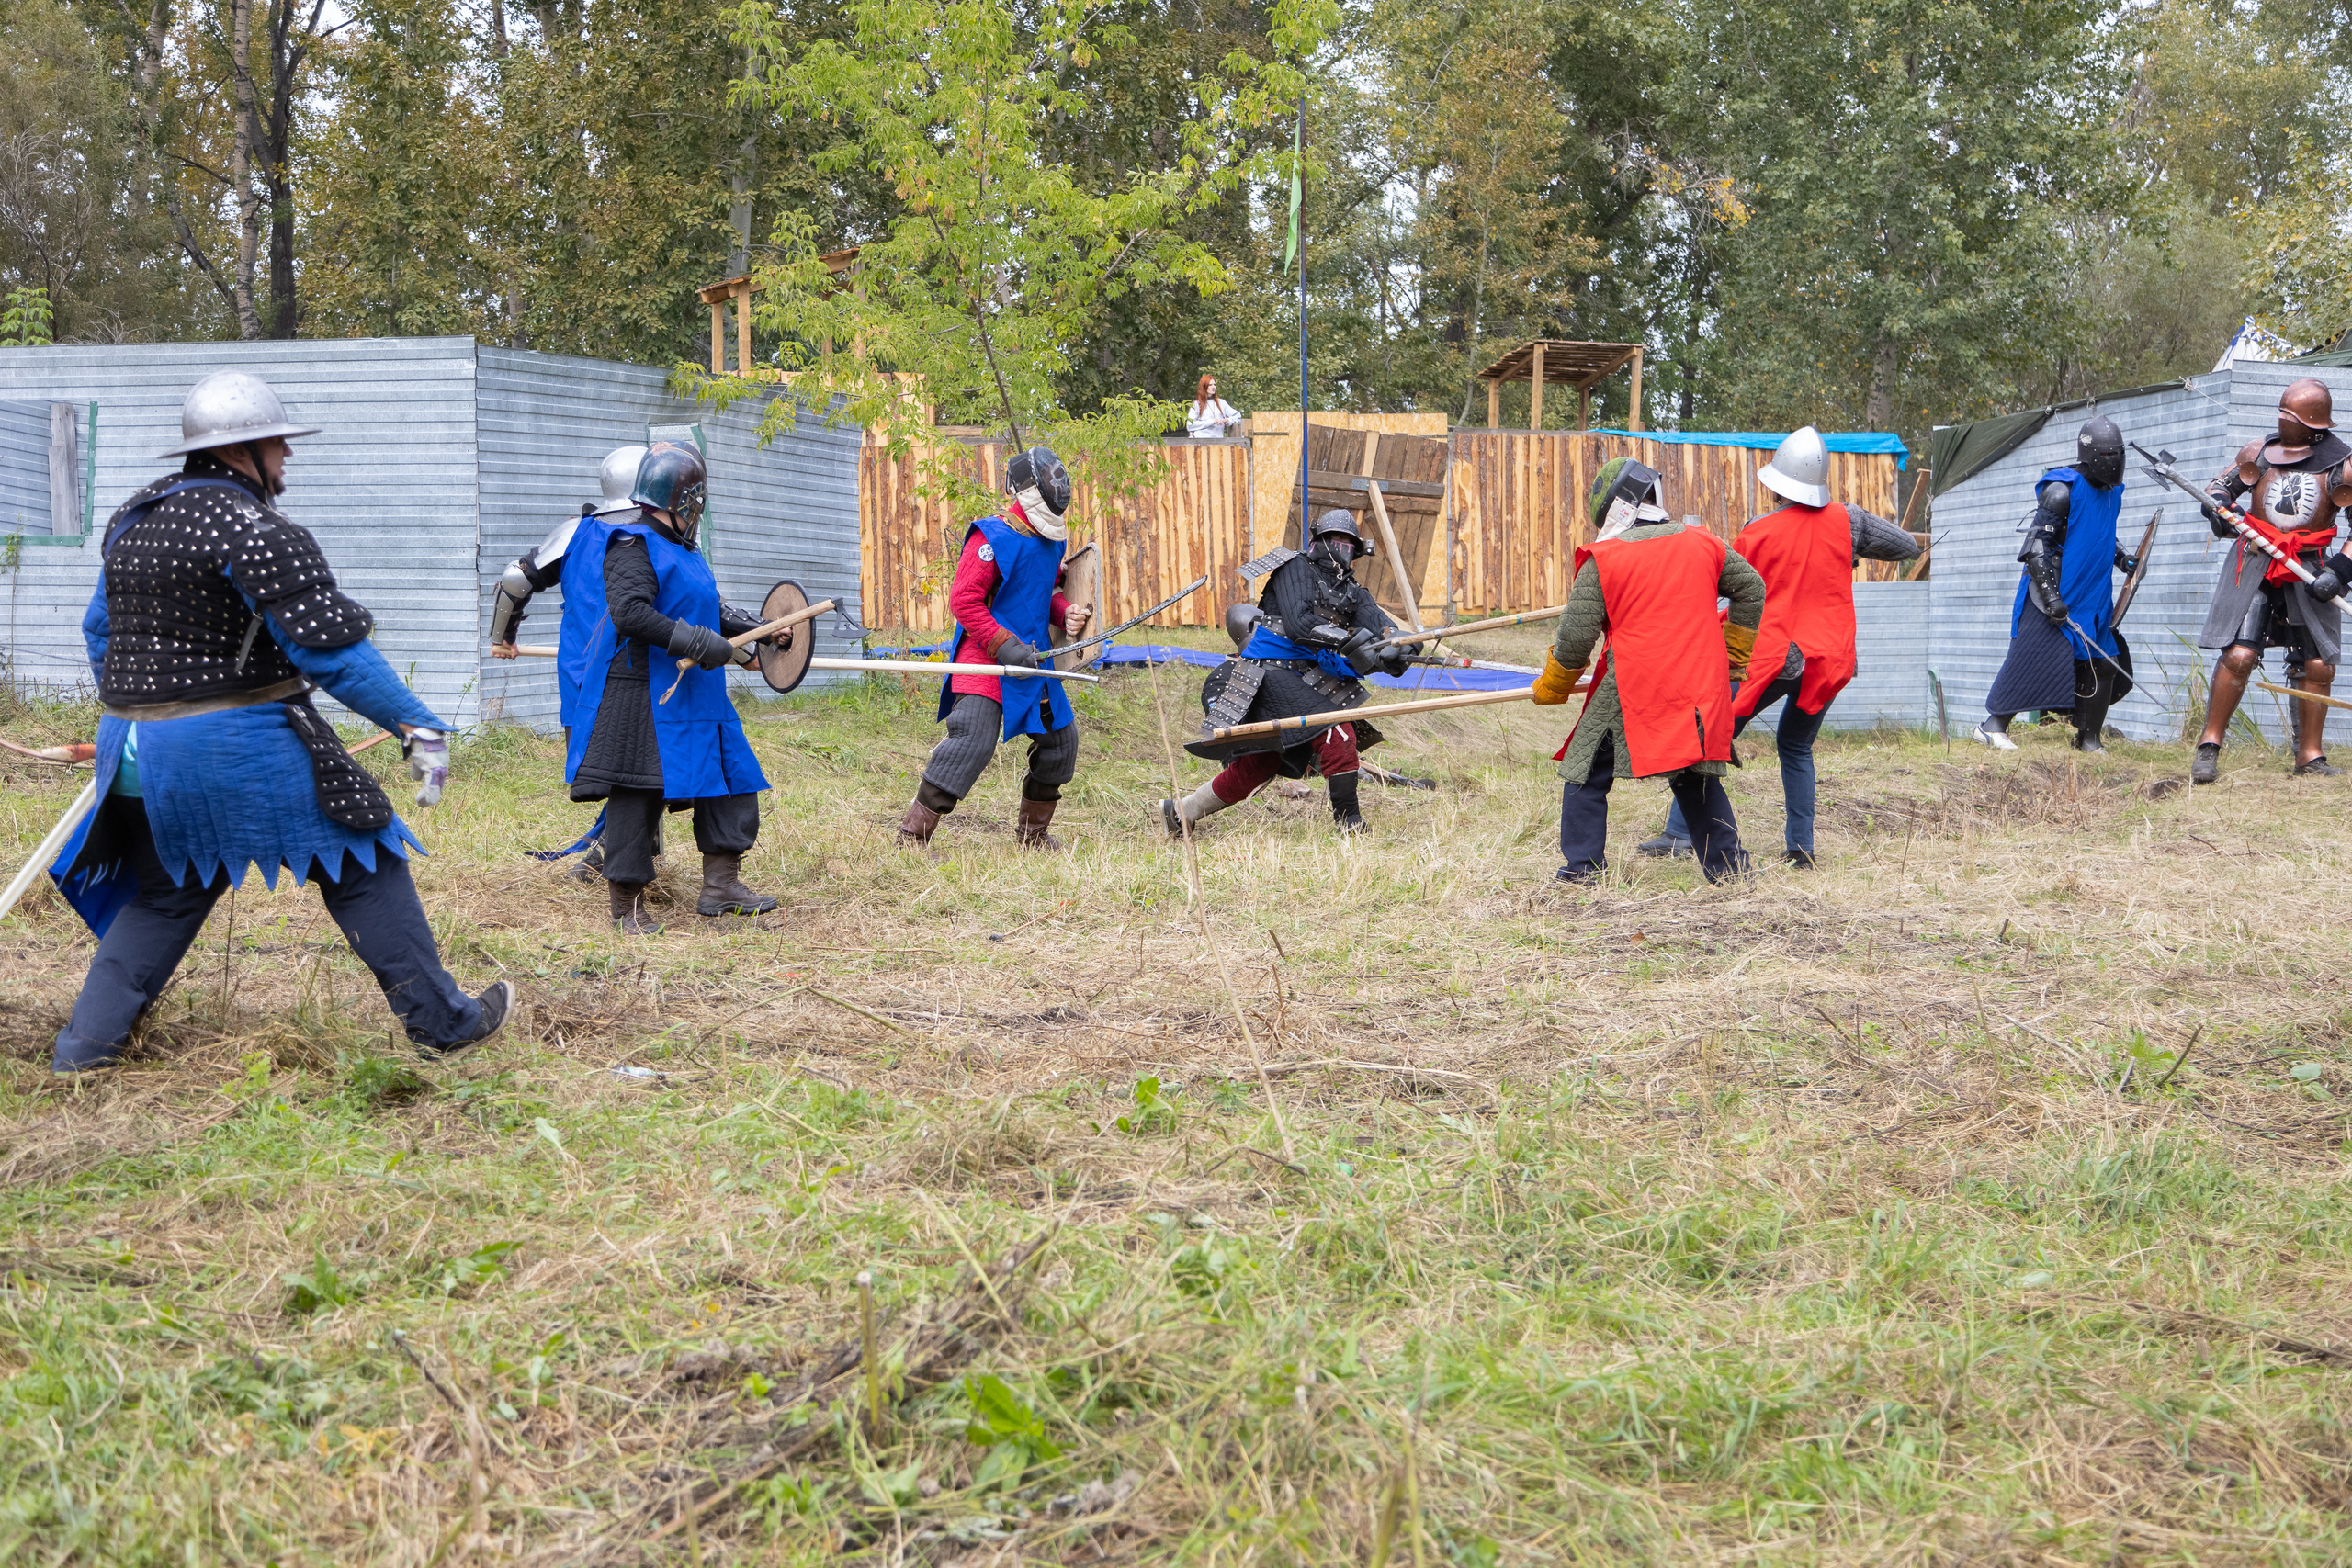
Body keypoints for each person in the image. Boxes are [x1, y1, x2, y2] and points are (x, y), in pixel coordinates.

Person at [47, 370, 513, 1074]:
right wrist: (420, 727)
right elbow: (333, 655)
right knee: (364, 856)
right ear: (241, 452)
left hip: (132, 743)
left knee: (165, 893)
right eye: (277, 444)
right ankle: (443, 1022)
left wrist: (144, 712)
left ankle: (83, 1053)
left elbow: (98, 632)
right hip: (226, 741)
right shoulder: (256, 526)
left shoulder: (134, 518)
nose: (286, 458)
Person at [1636, 427, 1921, 865]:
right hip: (1829, 658)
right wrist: (1850, 551)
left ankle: (1679, 833)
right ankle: (1801, 849)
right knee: (1795, 745)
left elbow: (1725, 588)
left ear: (1779, 482)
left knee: (1711, 734)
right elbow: (1904, 546)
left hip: (1772, 657)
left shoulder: (1757, 532)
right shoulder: (1850, 521)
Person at [565, 442, 779, 932]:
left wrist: (763, 631)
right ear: (686, 500)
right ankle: (626, 905)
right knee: (638, 795)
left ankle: (721, 886)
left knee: (734, 781)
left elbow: (709, 608)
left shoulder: (686, 550)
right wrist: (703, 643)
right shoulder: (631, 543)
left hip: (699, 692)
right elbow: (631, 613)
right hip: (644, 690)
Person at [1533, 457, 1765, 886]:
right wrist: (1734, 656)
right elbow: (1752, 588)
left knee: (1584, 770)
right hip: (1695, 686)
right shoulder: (1704, 542)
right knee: (1694, 775)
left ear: (1615, 511)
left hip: (1633, 683)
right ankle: (1729, 871)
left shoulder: (1603, 559)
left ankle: (1583, 871)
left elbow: (1574, 639)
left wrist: (1556, 683)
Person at [1164, 509, 1407, 836]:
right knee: (1336, 728)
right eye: (1336, 540)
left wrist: (1398, 649)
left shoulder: (1354, 592)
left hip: (1306, 676)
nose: (1342, 548)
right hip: (1263, 673)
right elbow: (1299, 623)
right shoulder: (1295, 566)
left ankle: (1182, 811)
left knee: (1262, 765)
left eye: (1349, 543)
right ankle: (1350, 825)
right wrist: (1352, 641)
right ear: (1318, 541)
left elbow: (1383, 631)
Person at [895, 446, 1089, 852]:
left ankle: (1032, 837)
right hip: (985, 657)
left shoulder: (1052, 542)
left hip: (1032, 660)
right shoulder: (991, 536)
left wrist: (1065, 611)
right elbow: (964, 600)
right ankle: (912, 837)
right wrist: (1003, 644)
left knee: (1061, 744)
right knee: (973, 740)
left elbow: (1040, 593)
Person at [489, 443, 647, 880]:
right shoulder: (656, 532)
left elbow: (515, 580)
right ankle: (616, 855)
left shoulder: (578, 531)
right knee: (638, 765)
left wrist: (503, 637)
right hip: (634, 671)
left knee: (626, 767)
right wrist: (748, 650)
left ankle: (621, 851)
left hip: (583, 672)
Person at [2189, 377, 2352, 783]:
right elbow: (2218, 491)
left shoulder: (2342, 463)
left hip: (2311, 566)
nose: (2282, 420)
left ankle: (2309, 756)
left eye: (2290, 415)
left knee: (2316, 665)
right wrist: (2222, 510)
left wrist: (2340, 573)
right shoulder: (2260, 452)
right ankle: (2209, 745)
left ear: (2313, 422)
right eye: (2281, 412)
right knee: (2239, 655)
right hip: (2256, 560)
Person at [1973, 416, 2136, 756]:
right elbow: (2035, 548)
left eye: (2117, 454)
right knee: (2031, 660)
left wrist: (2123, 558)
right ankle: (1991, 727)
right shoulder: (2061, 490)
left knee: (2103, 662)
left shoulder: (2112, 493)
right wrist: (2052, 599)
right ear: (2092, 455)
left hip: (2093, 592)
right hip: (2053, 590)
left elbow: (2098, 531)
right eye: (2108, 454)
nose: (2114, 462)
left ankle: (2089, 739)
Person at [1185, 374, 1244, 439]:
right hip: (1200, 442)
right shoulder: (1196, 404)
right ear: (1204, 386)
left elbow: (1238, 416)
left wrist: (1229, 421)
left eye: (1214, 384)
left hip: (1218, 442)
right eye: (1210, 385)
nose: (1213, 387)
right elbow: (1190, 425)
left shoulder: (1221, 403)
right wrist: (1211, 422)